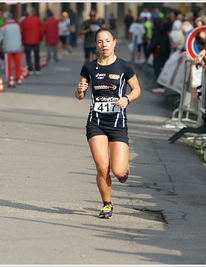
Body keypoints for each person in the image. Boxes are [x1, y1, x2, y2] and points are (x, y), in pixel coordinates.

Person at [75, 28, 141, 219]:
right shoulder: (88, 68)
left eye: (107, 41)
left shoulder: (124, 66)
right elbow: (80, 95)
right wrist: (80, 90)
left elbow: (136, 89)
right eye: (100, 42)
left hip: (118, 122)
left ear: (114, 43)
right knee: (102, 166)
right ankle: (106, 203)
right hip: (95, 122)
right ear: (96, 45)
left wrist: (127, 99)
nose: (104, 45)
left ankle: (123, 168)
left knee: (118, 170)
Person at [0, 11, 23, 85]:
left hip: (8, 47)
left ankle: (10, 77)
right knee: (18, 63)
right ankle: (19, 77)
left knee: (8, 64)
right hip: (17, 46)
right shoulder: (17, 25)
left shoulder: (3, 26)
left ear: (6, 18)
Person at [148, 18, 171, 94]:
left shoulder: (156, 32)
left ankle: (160, 85)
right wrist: (168, 54)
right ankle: (162, 85)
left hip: (157, 53)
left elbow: (153, 44)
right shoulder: (164, 31)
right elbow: (168, 43)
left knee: (157, 69)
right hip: (164, 53)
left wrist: (148, 53)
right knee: (163, 69)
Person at [20, 6, 44, 75]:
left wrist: (22, 40)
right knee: (36, 55)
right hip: (36, 40)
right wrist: (41, 38)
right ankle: (37, 68)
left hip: (27, 40)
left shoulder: (24, 20)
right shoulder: (37, 20)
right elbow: (41, 30)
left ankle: (30, 69)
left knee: (28, 55)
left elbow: (21, 31)